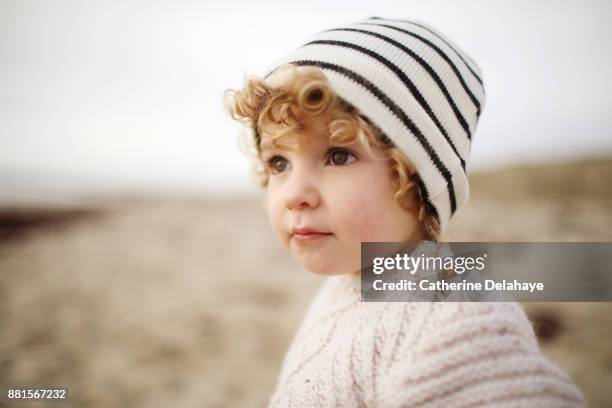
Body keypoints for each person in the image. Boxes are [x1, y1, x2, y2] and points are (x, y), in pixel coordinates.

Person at [223, 16, 585, 407]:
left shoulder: (453, 324)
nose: (294, 194)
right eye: (279, 163)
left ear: (416, 178)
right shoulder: (353, 280)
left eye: (338, 155)